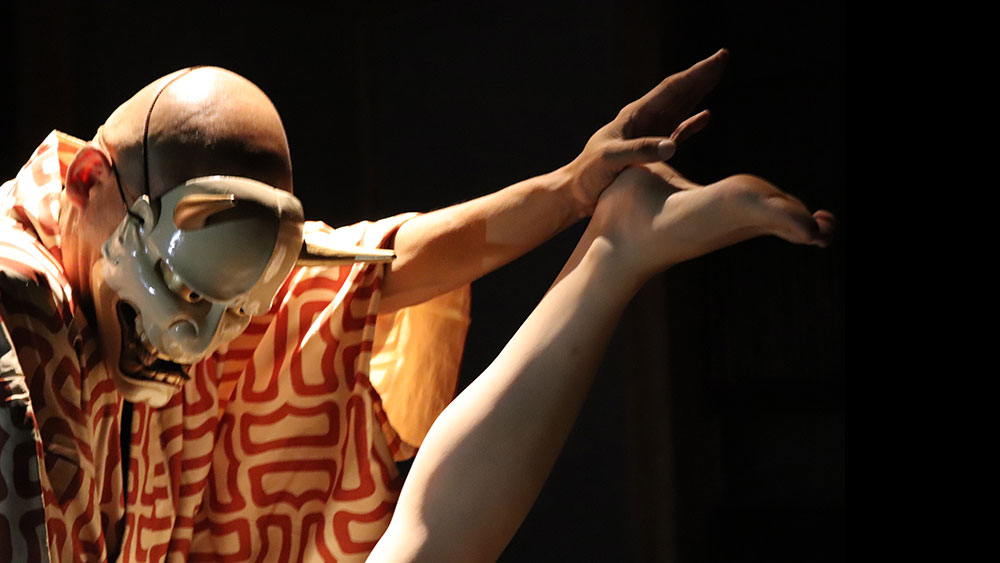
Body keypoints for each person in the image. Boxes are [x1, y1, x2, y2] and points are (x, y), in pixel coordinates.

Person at [0, 49, 832, 562]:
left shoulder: (191, 270)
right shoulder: (16, 309)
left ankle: (616, 254)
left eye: (235, 311)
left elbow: (381, 262)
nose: (195, 342)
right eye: (181, 291)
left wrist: (575, 188)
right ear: (88, 181)